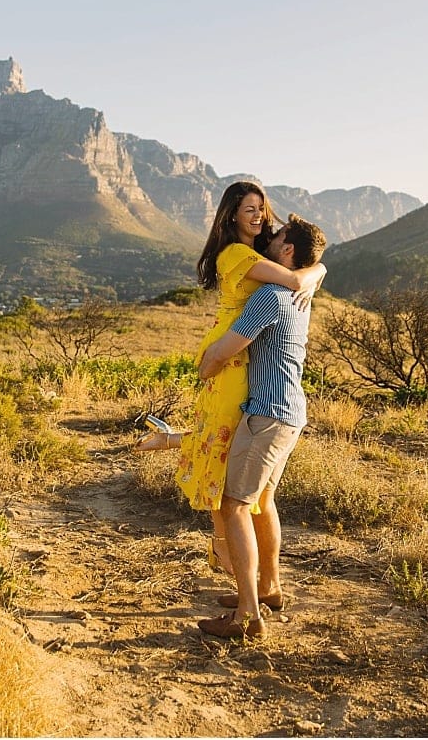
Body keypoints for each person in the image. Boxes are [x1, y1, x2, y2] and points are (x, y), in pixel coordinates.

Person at [134, 181, 325, 577]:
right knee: (228, 465)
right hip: (234, 354)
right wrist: (315, 272)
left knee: (237, 475)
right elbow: (294, 278)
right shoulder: (236, 253)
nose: (259, 217)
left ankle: (253, 585)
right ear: (232, 214)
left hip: (244, 357)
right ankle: (247, 580)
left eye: (262, 208)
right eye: (249, 209)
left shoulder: (263, 251)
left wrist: (317, 268)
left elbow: (300, 262)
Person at [194, 214, 327, 639]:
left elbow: (228, 348)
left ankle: (247, 616)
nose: (270, 237)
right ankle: (268, 588)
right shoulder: (300, 294)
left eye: (280, 236)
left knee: (234, 505)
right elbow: (315, 269)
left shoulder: (271, 295)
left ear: (288, 251)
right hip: (290, 411)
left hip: (266, 415)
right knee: (262, 501)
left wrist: (205, 365)